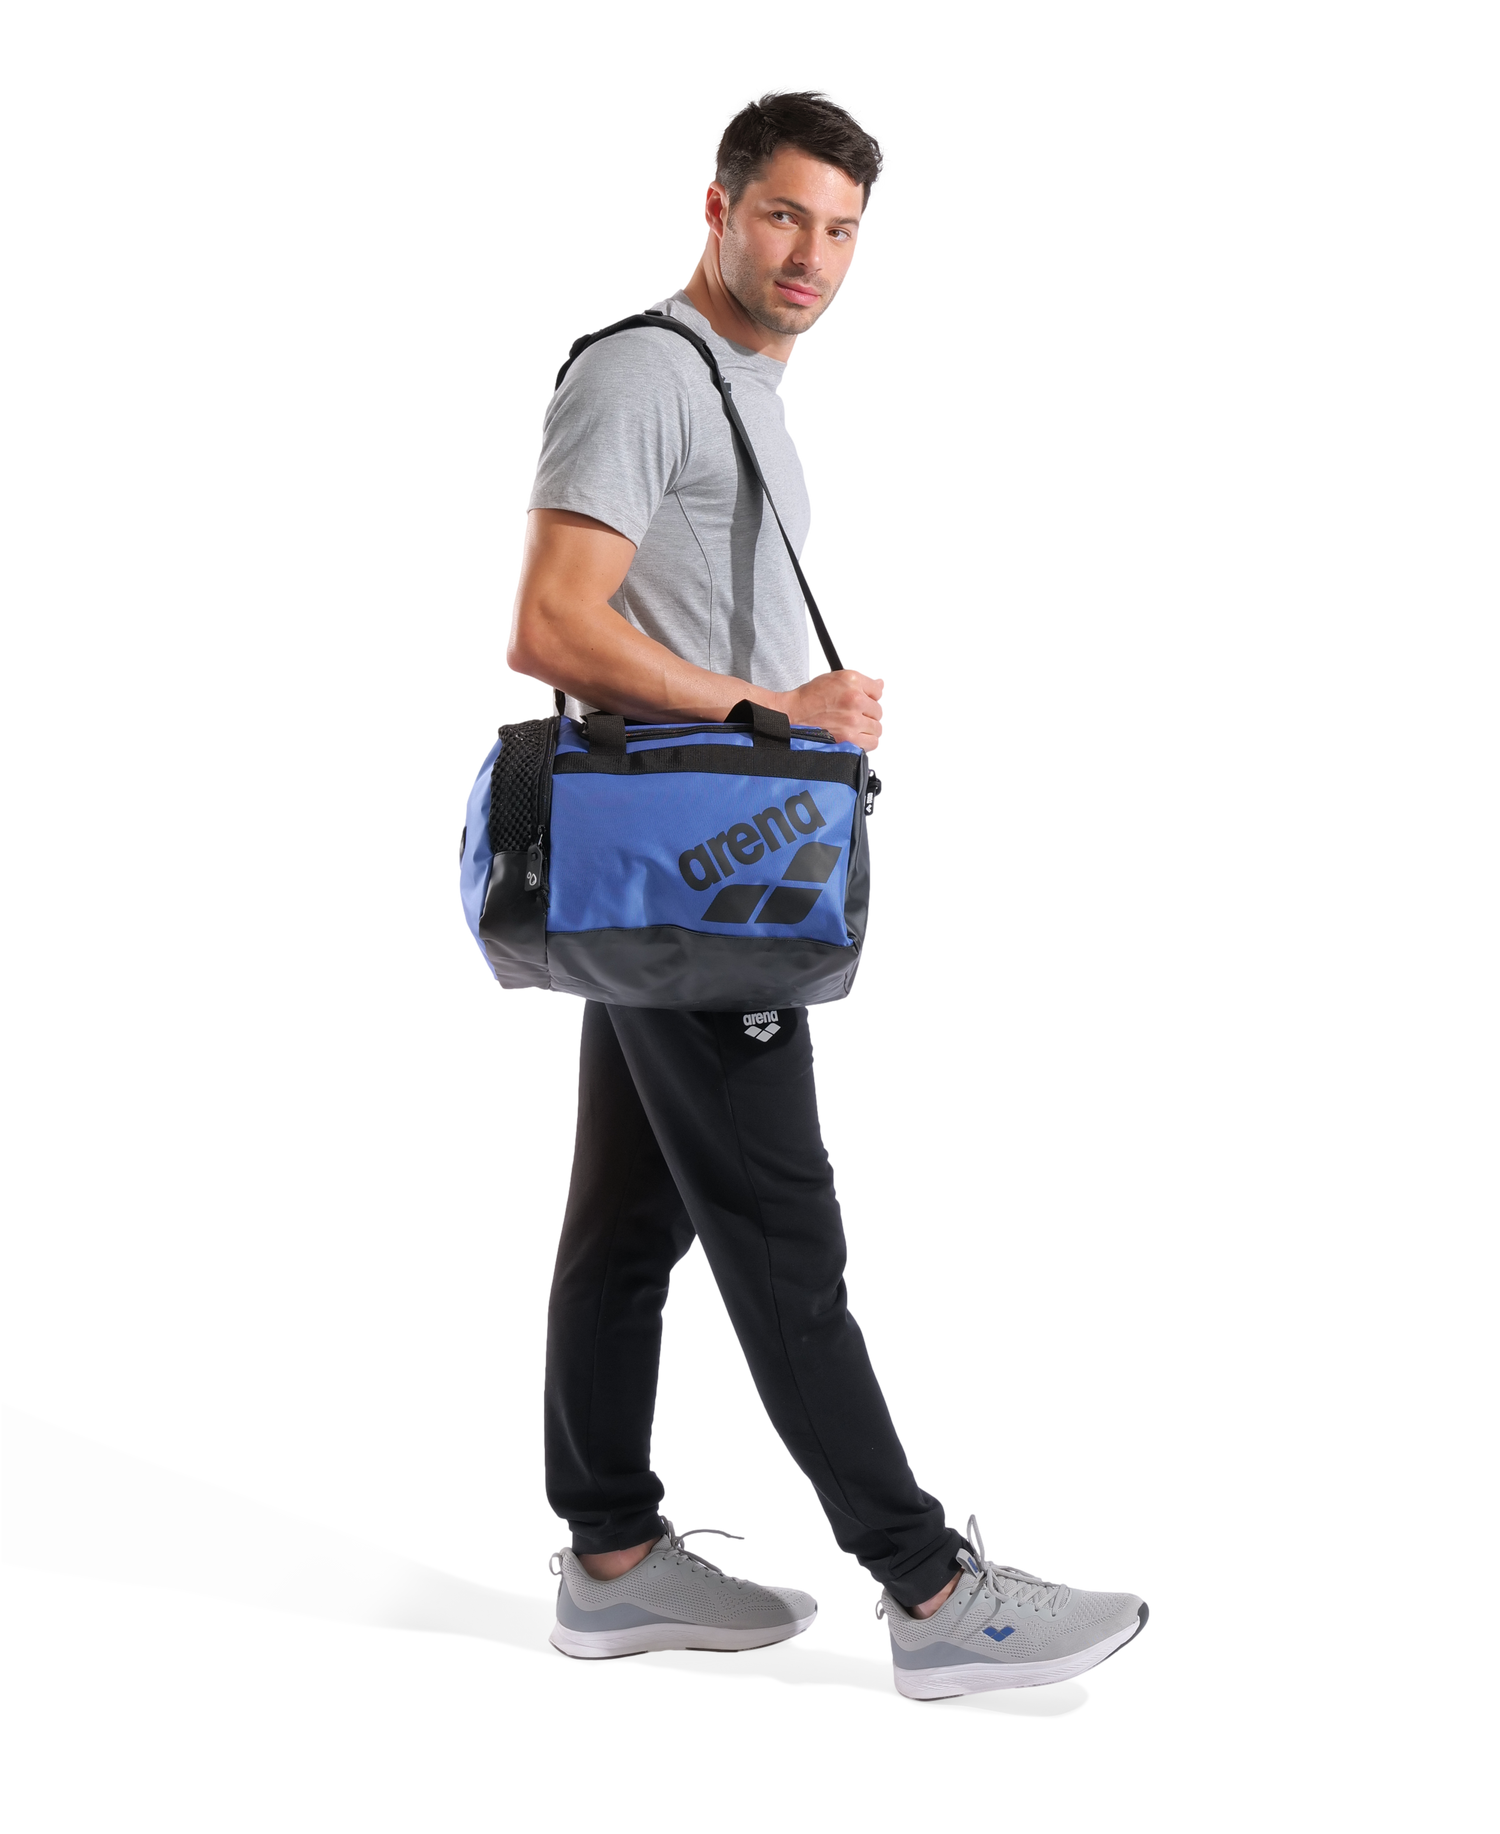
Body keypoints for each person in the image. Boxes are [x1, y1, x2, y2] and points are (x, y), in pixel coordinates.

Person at [503, 81, 1150, 1699]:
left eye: (845, 229)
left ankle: (609, 1559)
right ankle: (927, 1589)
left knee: (625, 1222)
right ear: (715, 207)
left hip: (692, 874)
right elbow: (548, 625)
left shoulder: (743, 388)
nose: (813, 254)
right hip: (701, 878)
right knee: (785, 1233)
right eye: (785, 214)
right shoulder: (643, 375)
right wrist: (772, 708)